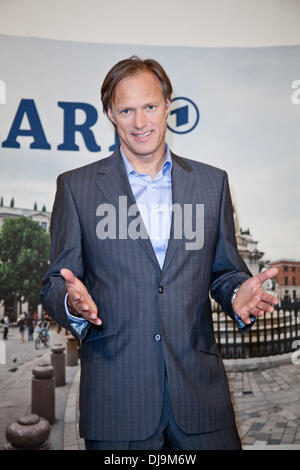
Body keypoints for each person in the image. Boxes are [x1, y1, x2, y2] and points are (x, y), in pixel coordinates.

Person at [41, 56, 279, 450]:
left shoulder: (211, 184)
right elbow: (55, 282)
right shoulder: (76, 188)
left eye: (150, 106)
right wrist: (70, 301)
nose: (140, 122)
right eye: (127, 110)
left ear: (169, 106)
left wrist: (237, 293)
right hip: (117, 401)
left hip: (202, 400)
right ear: (110, 115)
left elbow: (223, 272)